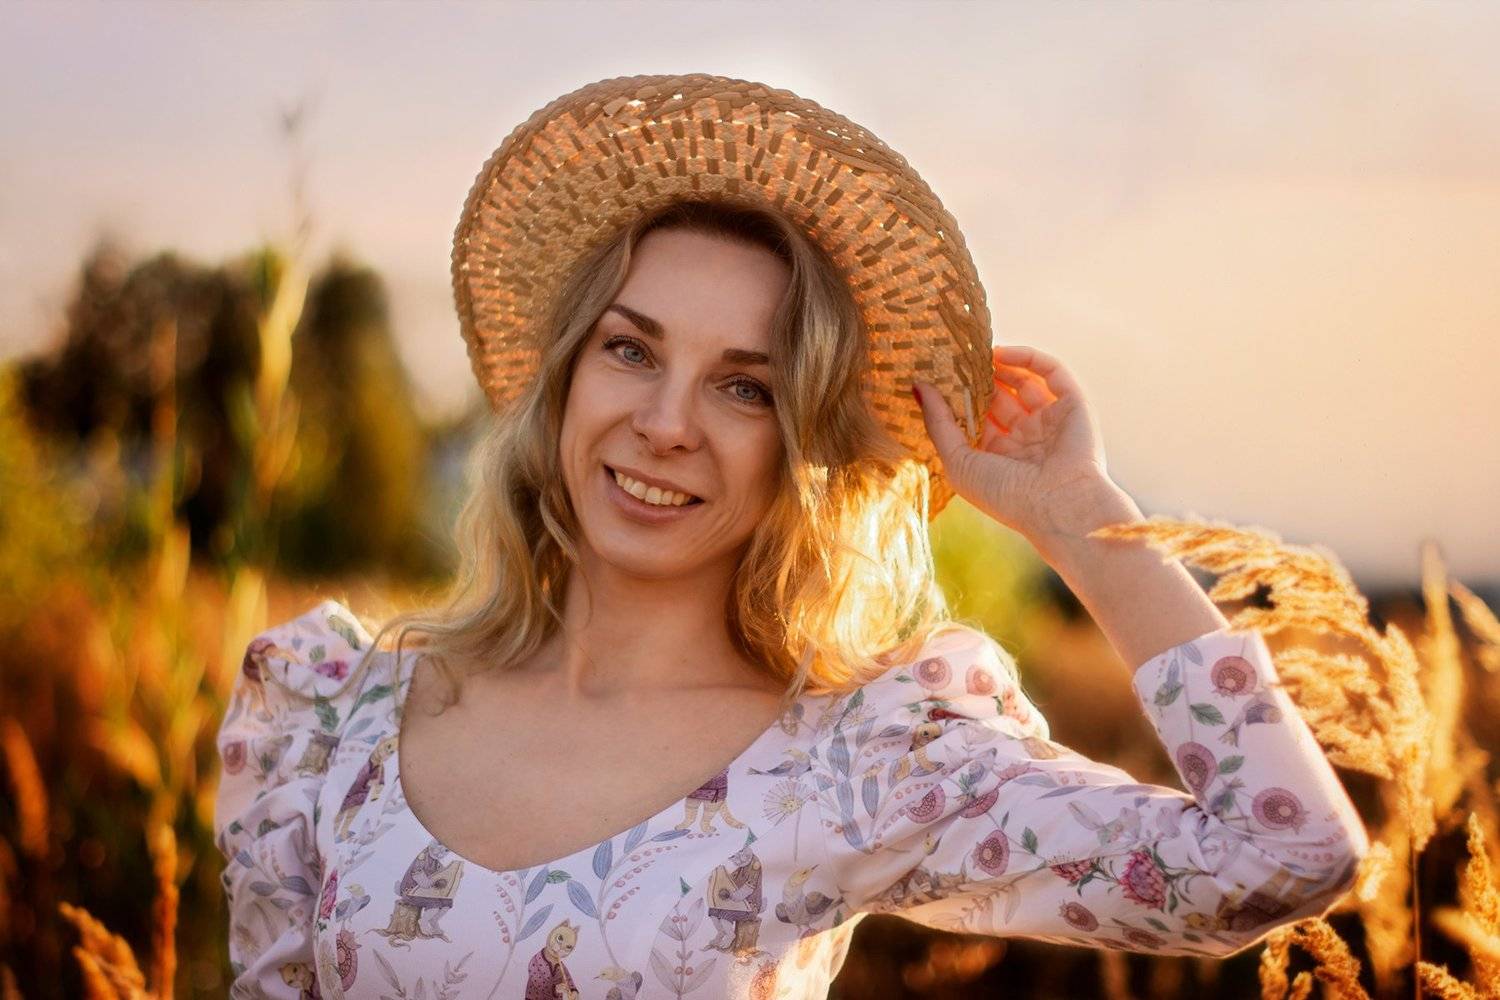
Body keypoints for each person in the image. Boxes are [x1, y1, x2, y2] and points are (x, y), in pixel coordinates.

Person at [213, 73, 1368, 1000]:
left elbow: (1282, 856)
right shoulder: (336, 712)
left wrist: (1082, 521)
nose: (667, 423)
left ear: (803, 442)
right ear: (563, 381)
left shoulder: (863, 759)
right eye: (630, 349)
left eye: (746, 387)